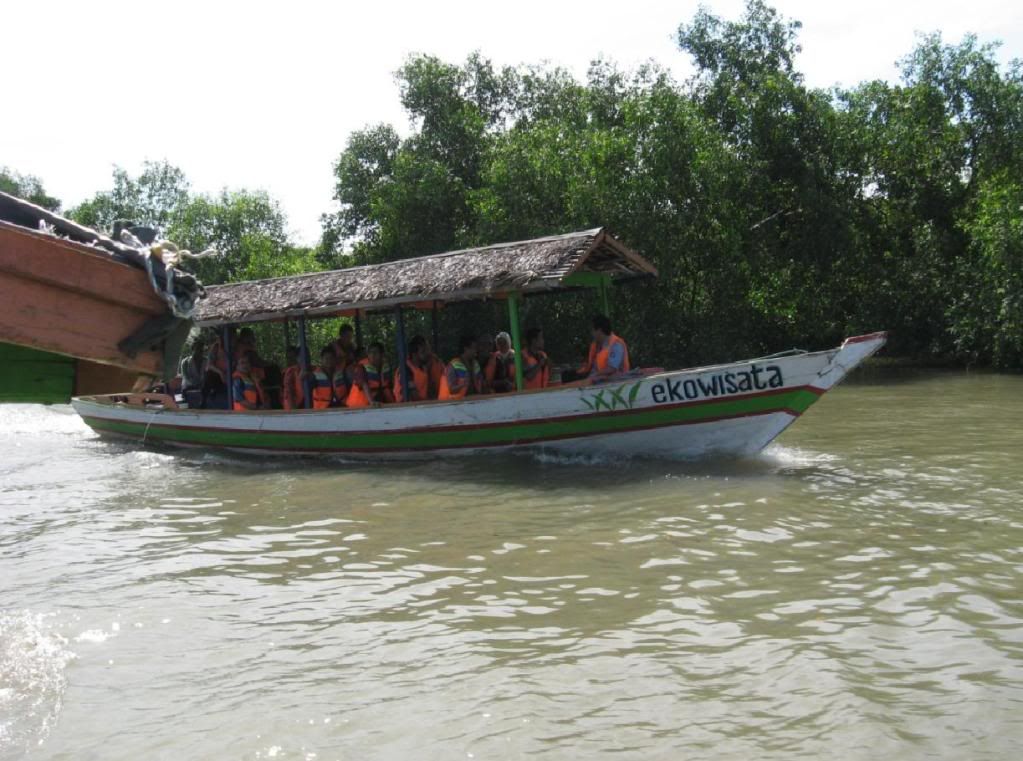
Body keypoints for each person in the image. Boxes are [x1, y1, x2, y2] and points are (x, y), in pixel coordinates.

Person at [577, 314, 630, 379]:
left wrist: (595, 375)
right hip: (600, 381)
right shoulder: (595, 346)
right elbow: (592, 367)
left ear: (599, 330)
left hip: (617, 382)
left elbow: (612, 368)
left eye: (592, 330)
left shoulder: (616, 344)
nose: (591, 333)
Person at [347, 342, 394, 408]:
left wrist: (392, 403)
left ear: (382, 354)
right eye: (370, 352)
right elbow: (364, 384)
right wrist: (372, 402)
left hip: (375, 404)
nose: (372, 355)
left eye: (375, 352)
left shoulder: (386, 366)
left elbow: (388, 386)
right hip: (358, 406)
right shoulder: (361, 367)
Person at [439, 334, 485, 400]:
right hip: (453, 405)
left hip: (474, 402)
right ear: (466, 349)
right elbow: (451, 390)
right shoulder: (453, 365)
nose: (476, 351)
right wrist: (463, 385)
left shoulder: (476, 364)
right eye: (474, 348)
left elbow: (480, 386)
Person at [393, 335, 431, 403]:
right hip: (407, 409)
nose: (427, 353)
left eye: (427, 350)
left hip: (421, 406)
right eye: (423, 351)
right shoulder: (405, 369)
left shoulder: (423, 367)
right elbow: (414, 396)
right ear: (414, 354)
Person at [281, 345, 305, 411]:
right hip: (293, 407)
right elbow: (288, 391)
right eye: (288, 357)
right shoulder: (286, 373)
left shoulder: (302, 370)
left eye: (292, 357)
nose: (290, 359)